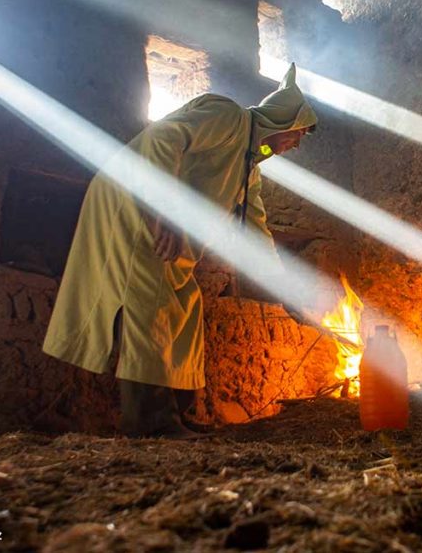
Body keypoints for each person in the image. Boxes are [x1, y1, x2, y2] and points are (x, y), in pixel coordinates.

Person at [43, 64, 317, 438]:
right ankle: (147, 421)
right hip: (134, 203)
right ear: (280, 121)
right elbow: (161, 139)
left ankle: (176, 412)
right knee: (150, 302)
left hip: (156, 219)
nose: (297, 144)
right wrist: (164, 214)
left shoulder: (247, 167)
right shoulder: (228, 116)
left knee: (186, 306)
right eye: (298, 133)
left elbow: (255, 229)